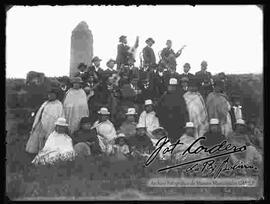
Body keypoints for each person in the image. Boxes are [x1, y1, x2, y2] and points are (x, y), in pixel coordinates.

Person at [26, 87, 64, 154]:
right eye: (49, 94)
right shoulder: (45, 103)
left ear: (56, 95)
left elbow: (61, 116)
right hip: (42, 124)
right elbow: (39, 114)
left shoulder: (59, 105)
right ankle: (40, 151)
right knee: (40, 137)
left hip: (52, 125)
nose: (50, 96)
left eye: (52, 94)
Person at [157, 78, 189, 143]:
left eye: (174, 86)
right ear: (168, 86)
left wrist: (184, 122)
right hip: (167, 124)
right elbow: (159, 110)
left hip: (178, 124)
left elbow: (184, 110)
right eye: (171, 86)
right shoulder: (164, 96)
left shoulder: (180, 96)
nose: (172, 88)